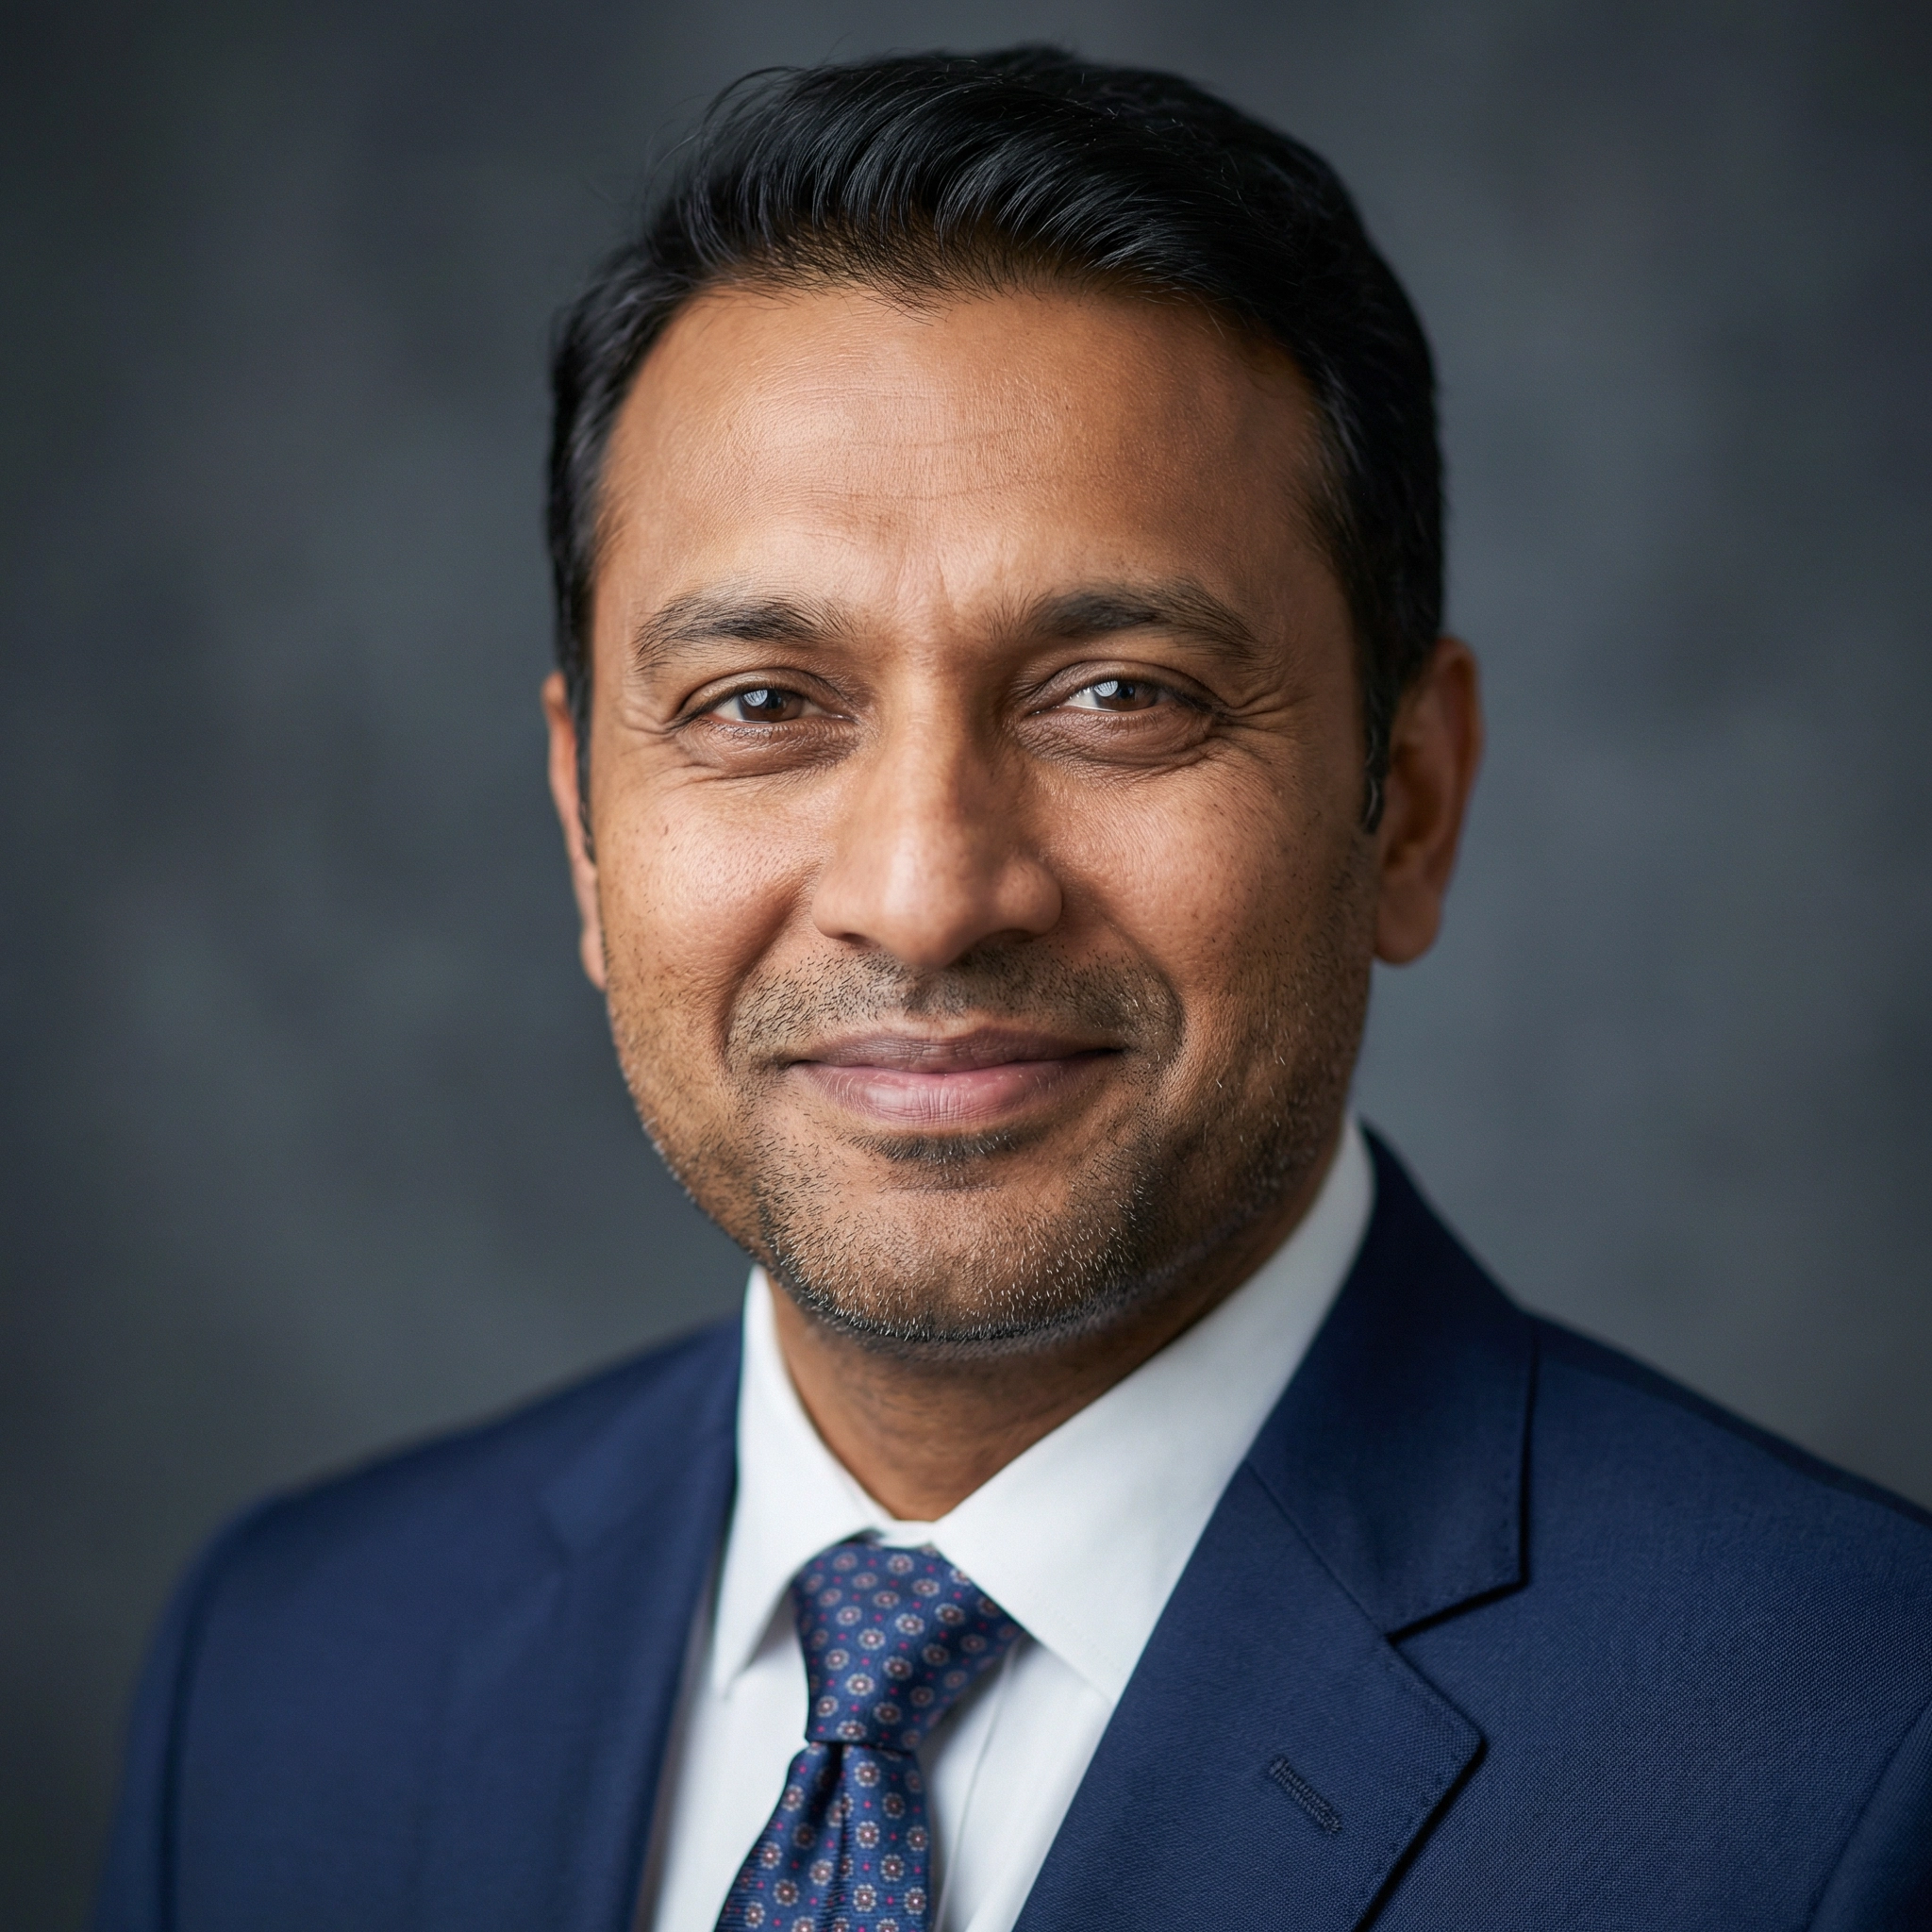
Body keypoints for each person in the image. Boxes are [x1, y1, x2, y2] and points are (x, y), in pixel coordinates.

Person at [94, 47, 1932, 1932]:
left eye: (1118, 694)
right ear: (583, 823)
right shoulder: (286, 1667)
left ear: (1411, 806)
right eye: (758, 706)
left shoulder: (1858, 1759)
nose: (924, 894)